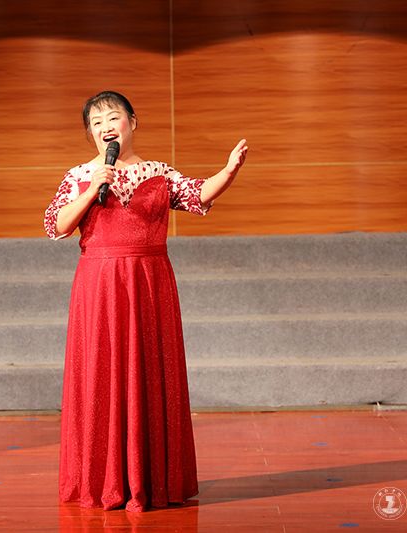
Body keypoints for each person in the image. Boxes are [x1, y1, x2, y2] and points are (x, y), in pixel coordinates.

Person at [44, 91, 247, 512]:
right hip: (99, 287)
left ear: (132, 122)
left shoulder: (159, 172)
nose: (106, 127)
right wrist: (92, 189)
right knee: (101, 373)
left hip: (150, 283)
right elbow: (56, 225)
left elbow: (198, 194)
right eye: (96, 123)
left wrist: (227, 172)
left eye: (113, 118)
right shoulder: (80, 175)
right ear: (90, 133)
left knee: (149, 373)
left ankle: (151, 479)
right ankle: (102, 479)